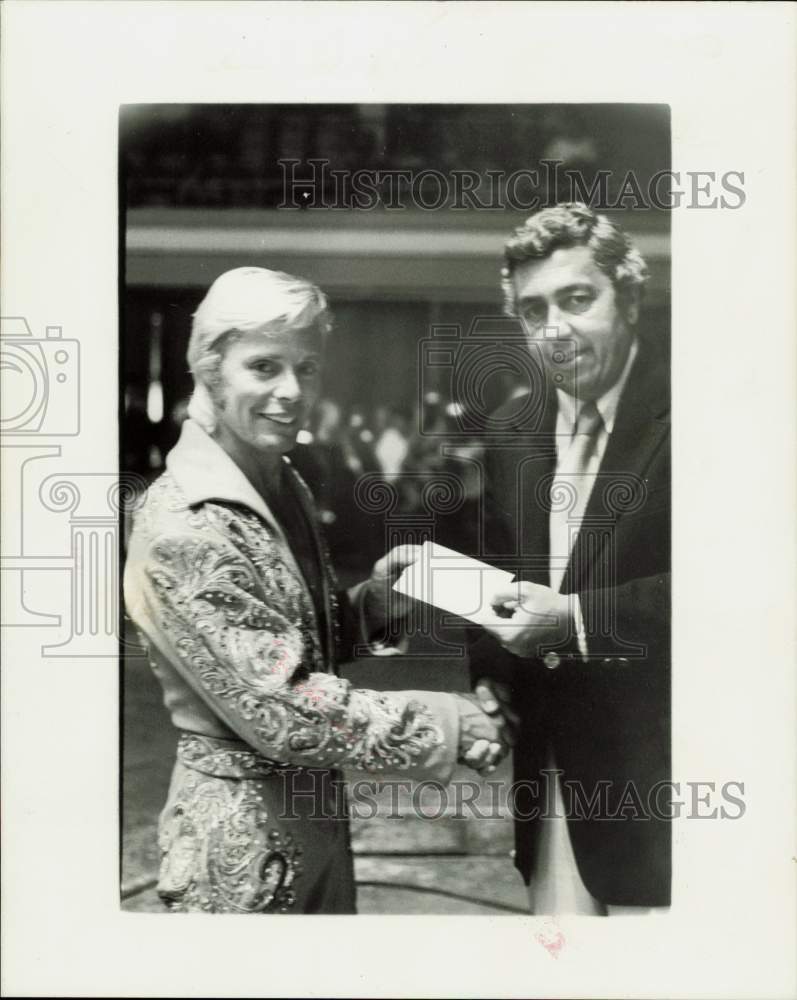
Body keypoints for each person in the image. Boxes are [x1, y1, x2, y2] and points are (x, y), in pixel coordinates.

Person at [123, 267, 508, 915]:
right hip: (237, 843)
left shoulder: (281, 483)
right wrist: (448, 720)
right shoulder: (186, 522)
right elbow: (284, 708)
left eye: (306, 367)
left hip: (312, 816)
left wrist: (372, 607)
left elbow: (285, 639)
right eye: (264, 366)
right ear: (208, 368)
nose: (291, 391)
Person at [469, 203, 670, 915]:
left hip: (668, 791)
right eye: (531, 311)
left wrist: (577, 621)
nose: (553, 330)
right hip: (550, 777)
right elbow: (502, 572)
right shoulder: (512, 429)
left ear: (631, 297)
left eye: (576, 299)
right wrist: (490, 683)